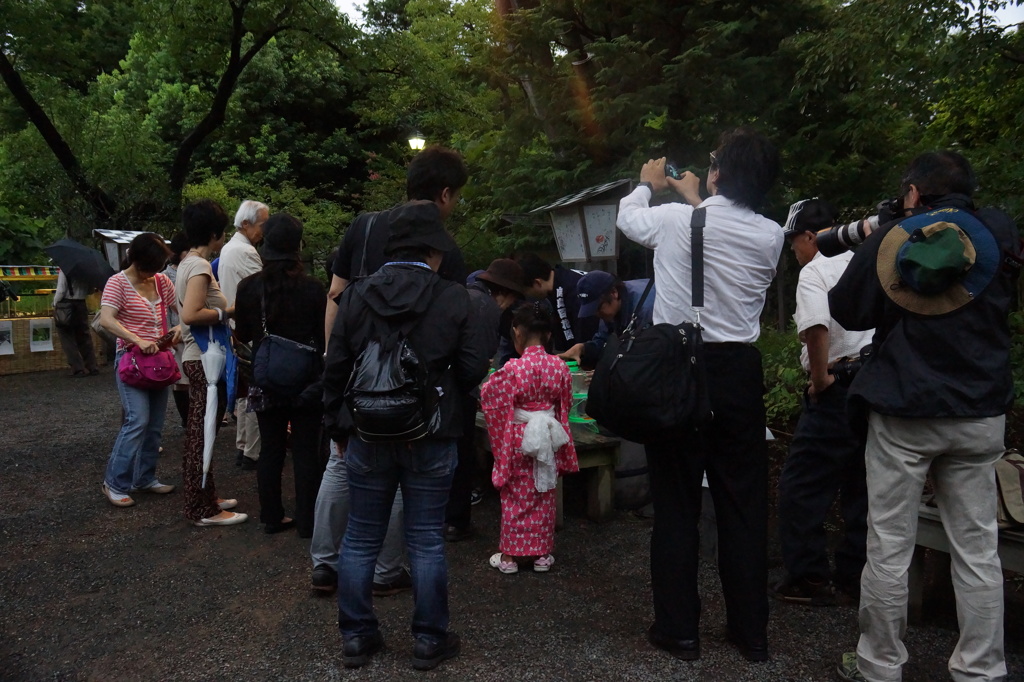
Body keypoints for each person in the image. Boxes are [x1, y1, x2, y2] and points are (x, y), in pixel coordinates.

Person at [830, 151, 1019, 682]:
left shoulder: (897, 236)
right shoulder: (997, 235)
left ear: (913, 193)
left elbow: (847, 309)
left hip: (905, 409)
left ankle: (880, 664)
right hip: (980, 410)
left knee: (889, 543)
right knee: (978, 546)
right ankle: (981, 670)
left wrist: (882, 237)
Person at [616, 128, 782, 662]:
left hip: (681, 369)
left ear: (717, 174)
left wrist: (648, 184)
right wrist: (695, 195)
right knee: (743, 505)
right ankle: (750, 633)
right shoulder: (772, 234)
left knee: (678, 503)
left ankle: (679, 631)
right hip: (739, 372)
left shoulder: (674, 220)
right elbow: (718, 226)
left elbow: (629, 220)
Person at [323, 200, 488, 671]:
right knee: (426, 539)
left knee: (360, 537)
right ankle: (429, 639)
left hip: (367, 431)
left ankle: (357, 637)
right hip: (432, 433)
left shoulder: (355, 294)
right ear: (434, 251)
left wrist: (337, 424)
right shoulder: (455, 297)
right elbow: (474, 367)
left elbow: (336, 365)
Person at [310, 146, 469, 595]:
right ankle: (385, 571)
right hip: (413, 394)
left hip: (356, 379)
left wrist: (336, 369)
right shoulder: (444, 247)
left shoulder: (363, 225)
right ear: (443, 194)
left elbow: (335, 296)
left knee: (341, 471)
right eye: (454, 197)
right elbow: (453, 326)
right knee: (404, 487)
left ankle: (325, 564)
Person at [773, 199, 873, 607]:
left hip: (838, 385)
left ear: (811, 236)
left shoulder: (817, 269)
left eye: (794, 241)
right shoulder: (867, 261)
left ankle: (810, 579)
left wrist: (820, 381)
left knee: (801, 487)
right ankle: (856, 576)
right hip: (875, 385)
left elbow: (816, 328)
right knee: (861, 486)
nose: (793, 251)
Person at [234, 213, 326, 537]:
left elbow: (243, 333)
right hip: (307, 380)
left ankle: (271, 517)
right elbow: (322, 336)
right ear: (297, 247)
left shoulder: (249, 288)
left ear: (266, 244)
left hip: (266, 377)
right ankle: (308, 521)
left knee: (271, 448)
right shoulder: (315, 288)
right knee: (305, 450)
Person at [480, 302, 578, 574]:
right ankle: (541, 556)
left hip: (519, 435)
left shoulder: (512, 369)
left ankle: (510, 557)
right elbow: (565, 405)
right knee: (543, 492)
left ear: (517, 332)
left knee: (514, 493)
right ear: (547, 335)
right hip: (548, 432)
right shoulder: (559, 367)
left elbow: (491, 398)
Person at [176, 198, 248, 528]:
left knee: (201, 430)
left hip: (200, 358)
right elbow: (190, 314)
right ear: (215, 234)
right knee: (202, 433)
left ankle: (207, 496)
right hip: (206, 359)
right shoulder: (202, 267)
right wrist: (227, 312)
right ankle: (202, 509)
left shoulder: (188, 262)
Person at [445, 258, 525, 542]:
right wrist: (476, 390)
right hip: (458, 390)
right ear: (504, 291)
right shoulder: (487, 306)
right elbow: (478, 360)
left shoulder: (459, 293)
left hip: (437, 386)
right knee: (460, 456)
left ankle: (440, 517)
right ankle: (456, 521)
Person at [98, 233, 179, 507]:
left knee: (155, 425)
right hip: (131, 360)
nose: (154, 272)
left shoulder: (161, 281)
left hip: (159, 361)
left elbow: (179, 310)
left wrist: (179, 327)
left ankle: (144, 478)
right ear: (136, 260)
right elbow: (106, 320)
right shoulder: (117, 283)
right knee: (137, 420)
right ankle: (114, 483)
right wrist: (137, 339)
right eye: (151, 266)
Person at [220, 200, 268, 471]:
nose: (264, 230)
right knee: (254, 392)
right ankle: (252, 451)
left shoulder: (230, 248)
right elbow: (260, 293)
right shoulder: (245, 252)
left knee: (243, 390)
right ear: (246, 224)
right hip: (249, 329)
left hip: (235, 328)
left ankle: (243, 446)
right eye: (263, 224)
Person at [560, 270, 654, 367]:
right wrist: (584, 348)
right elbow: (605, 339)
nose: (597, 314)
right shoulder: (611, 308)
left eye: (598, 308)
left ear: (614, 293)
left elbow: (648, 354)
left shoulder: (646, 310)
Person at [162, 232, 191, 429]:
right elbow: (171, 306)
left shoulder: (192, 269)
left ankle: (192, 418)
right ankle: (186, 419)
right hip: (178, 330)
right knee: (181, 379)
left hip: (191, 328)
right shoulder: (167, 275)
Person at [53, 269, 99, 377]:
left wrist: (55, 303)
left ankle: (78, 368)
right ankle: (92, 366)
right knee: (84, 335)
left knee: (67, 336)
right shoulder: (86, 271)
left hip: (66, 304)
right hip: (81, 304)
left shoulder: (65, 270)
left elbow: (61, 290)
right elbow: (90, 291)